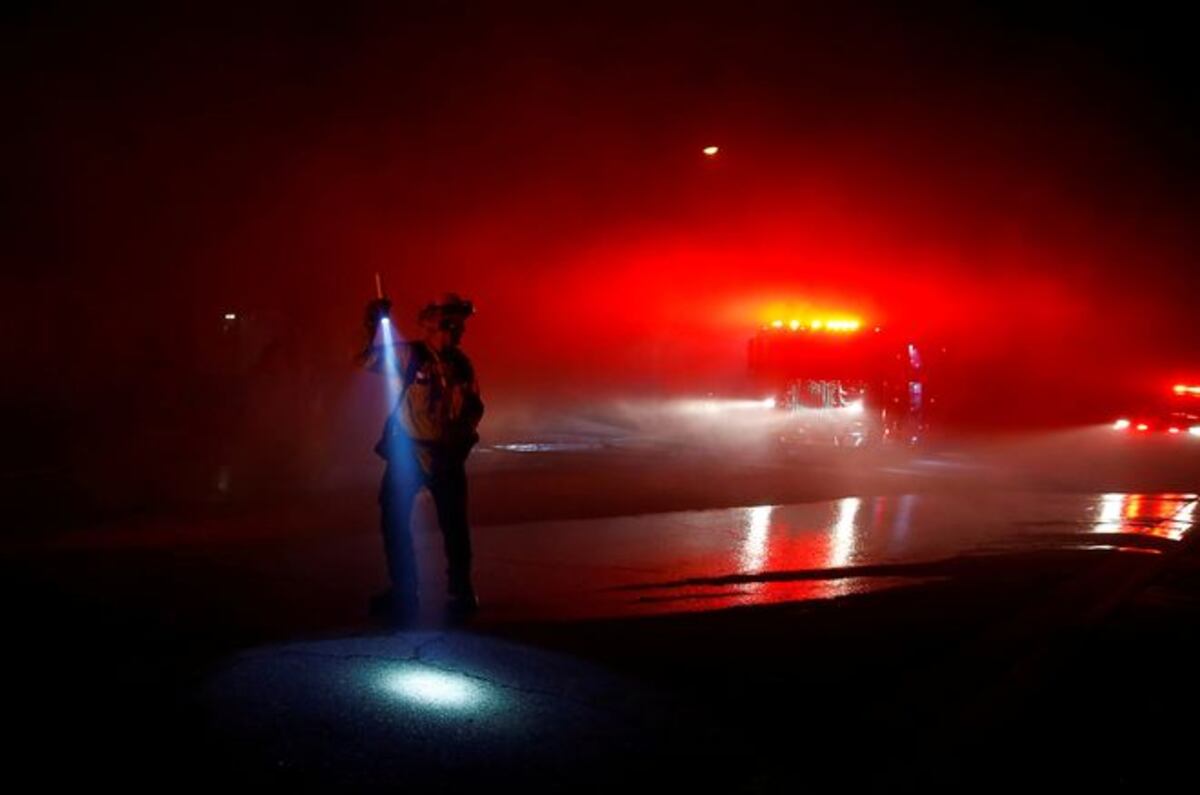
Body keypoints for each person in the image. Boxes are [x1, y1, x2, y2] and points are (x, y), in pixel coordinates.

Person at [360, 292, 484, 622]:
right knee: (394, 520)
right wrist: (374, 323)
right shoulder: (409, 356)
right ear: (429, 326)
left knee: (455, 526)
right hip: (410, 454)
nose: (455, 332)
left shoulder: (461, 364)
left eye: (458, 326)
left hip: (448, 457)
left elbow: (474, 408)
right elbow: (367, 359)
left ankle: (461, 590)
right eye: (447, 325)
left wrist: (461, 443)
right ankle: (404, 589)